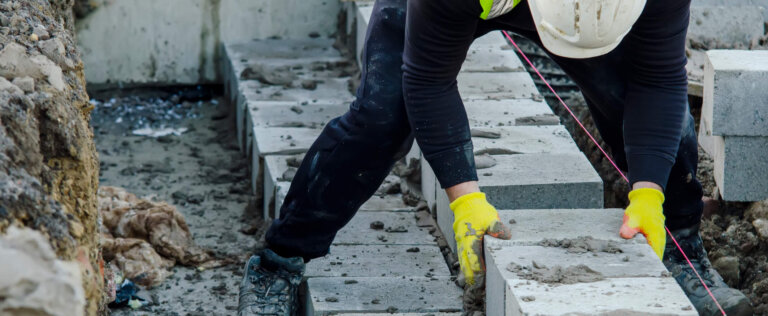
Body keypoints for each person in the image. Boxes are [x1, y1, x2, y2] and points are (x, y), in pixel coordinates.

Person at [237, 0, 753, 315]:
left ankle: (683, 251)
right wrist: (465, 199)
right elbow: (427, 78)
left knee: (645, 112)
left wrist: (648, 194)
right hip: (455, 6)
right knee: (380, 115)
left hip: (594, 13)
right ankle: (279, 262)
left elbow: (659, 80)